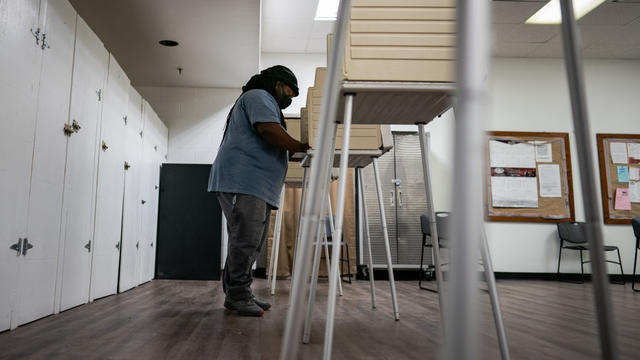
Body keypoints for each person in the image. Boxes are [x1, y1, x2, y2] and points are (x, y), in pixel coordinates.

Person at [208, 65, 310, 316]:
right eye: (289, 91)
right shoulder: (259, 96)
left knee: (249, 242)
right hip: (244, 180)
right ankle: (238, 295)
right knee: (246, 240)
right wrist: (302, 147)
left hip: (255, 184)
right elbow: (268, 130)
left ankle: (239, 292)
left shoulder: (264, 100)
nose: (289, 98)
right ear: (276, 84)